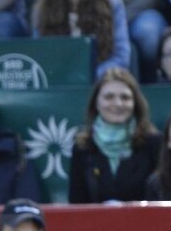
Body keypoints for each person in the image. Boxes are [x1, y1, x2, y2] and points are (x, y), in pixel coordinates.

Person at [67, 67, 160, 203]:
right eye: (109, 97)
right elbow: (76, 204)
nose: (117, 104)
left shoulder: (153, 143)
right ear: (96, 103)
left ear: (135, 103)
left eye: (125, 97)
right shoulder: (83, 147)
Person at [33, 0, 131, 78]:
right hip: (59, 82)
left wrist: (89, 76)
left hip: (101, 81)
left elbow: (121, 56)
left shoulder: (113, 4)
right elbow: (40, 55)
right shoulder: (42, 10)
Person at [97, 0, 168, 81]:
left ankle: (151, 84)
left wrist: (124, 15)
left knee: (149, 33)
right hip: (102, 9)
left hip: (139, 9)